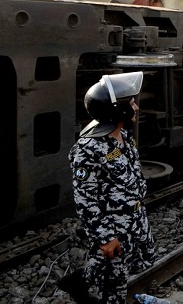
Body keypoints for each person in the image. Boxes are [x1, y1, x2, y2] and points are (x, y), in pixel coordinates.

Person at [62, 72, 157, 304]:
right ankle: (84, 287)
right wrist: (105, 237)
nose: (136, 107)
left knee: (133, 266)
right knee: (113, 287)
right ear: (119, 110)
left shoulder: (123, 136)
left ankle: (81, 283)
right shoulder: (88, 149)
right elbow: (85, 199)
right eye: (131, 103)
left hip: (135, 219)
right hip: (113, 226)